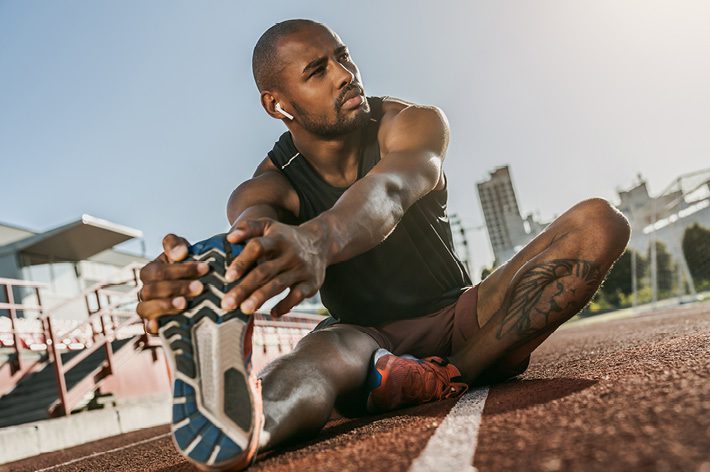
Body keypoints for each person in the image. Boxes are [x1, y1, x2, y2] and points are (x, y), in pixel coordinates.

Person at [136, 19, 631, 470]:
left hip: (465, 316)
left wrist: (317, 240)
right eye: (317, 71)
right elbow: (251, 231)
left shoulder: (412, 123)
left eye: (343, 56)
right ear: (278, 104)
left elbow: (389, 192)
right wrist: (196, 274)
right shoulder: (266, 186)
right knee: (310, 364)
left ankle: (449, 373)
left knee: (600, 223)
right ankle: (248, 427)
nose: (344, 74)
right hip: (361, 340)